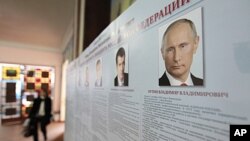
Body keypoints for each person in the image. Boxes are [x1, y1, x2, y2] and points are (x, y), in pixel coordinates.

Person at [159, 18, 203, 86]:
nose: (176, 58)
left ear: (195, 44)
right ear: (162, 53)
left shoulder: (203, 83)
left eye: (182, 46)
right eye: (170, 49)